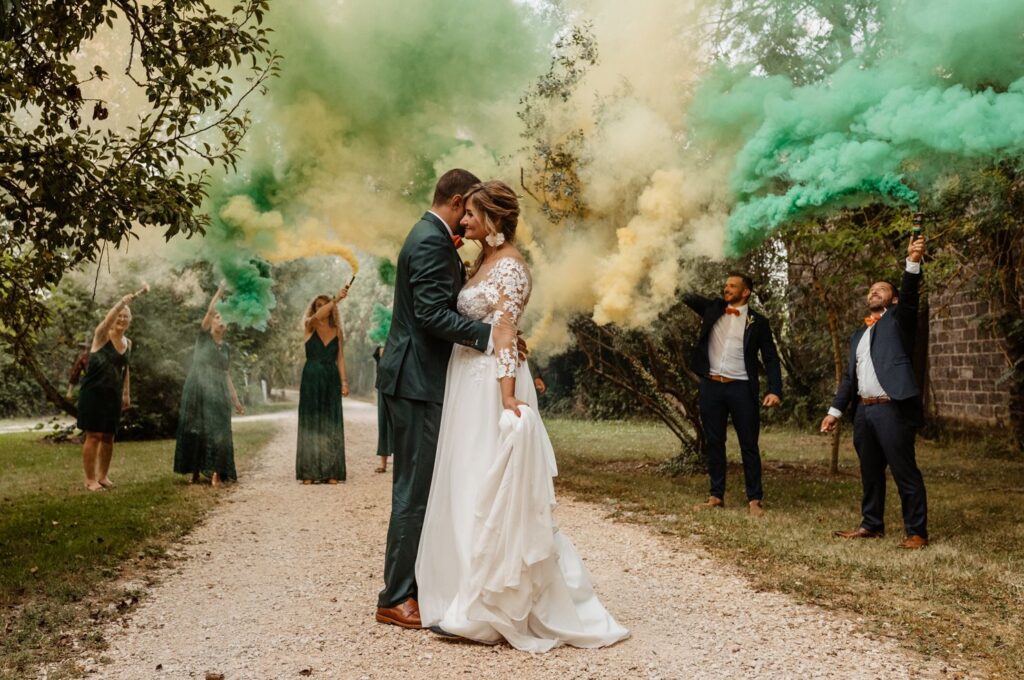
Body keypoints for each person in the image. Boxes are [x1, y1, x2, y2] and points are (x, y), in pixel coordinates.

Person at [415, 180, 629, 651]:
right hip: (466, 381)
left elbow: (506, 332)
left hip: (491, 384)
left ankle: (491, 609)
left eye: (470, 214)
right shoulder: (485, 261)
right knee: (467, 482)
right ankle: (467, 596)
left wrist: (509, 396)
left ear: (492, 218)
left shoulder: (510, 268)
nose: (463, 221)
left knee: (488, 487)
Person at [374, 168, 498, 628]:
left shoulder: (429, 235)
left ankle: (416, 583)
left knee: (421, 486)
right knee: (414, 490)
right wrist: (491, 334)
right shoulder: (428, 239)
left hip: (419, 378)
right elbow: (428, 314)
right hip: (416, 380)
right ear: (460, 199)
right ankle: (396, 596)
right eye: (468, 210)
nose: (468, 220)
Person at [821, 235, 929, 550]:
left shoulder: (900, 320)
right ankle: (871, 524)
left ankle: (916, 532)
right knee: (870, 472)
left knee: (904, 470)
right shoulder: (858, 335)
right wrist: (834, 411)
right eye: (871, 290)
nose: (873, 292)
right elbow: (848, 380)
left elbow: (910, 295)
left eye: (881, 289)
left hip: (893, 408)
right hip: (865, 412)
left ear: (893, 300)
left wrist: (912, 262)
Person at [683, 273, 783, 516]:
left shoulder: (758, 322)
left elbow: (770, 357)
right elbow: (686, 296)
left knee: (748, 444)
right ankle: (716, 496)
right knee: (715, 442)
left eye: (732, 286)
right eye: (726, 284)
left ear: (745, 292)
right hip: (711, 387)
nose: (726, 288)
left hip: (741, 388)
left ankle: (755, 500)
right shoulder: (712, 308)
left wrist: (775, 390)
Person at [173, 283, 245, 486]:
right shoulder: (203, 338)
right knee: (196, 428)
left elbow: (227, 374)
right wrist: (221, 290)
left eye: (224, 319)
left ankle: (216, 472)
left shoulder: (226, 347)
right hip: (198, 386)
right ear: (212, 321)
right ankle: (195, 472)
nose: (220, 320)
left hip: (218, 390)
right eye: (217, 317)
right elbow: (211, 309)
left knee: (218, 429)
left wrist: (236, 401)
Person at [77, 292, 135, 491]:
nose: (122, 319)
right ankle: (90, 479)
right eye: (119, 315)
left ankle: (103, 477)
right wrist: (121, 304)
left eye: (126, 316)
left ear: (129, 321)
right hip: (93, 392)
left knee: (109, 436)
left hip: (113, 395)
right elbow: (106, 321)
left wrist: (126, 393)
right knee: (93, 435)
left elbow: (125, 368)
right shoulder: (101, 336)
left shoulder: (129, 343)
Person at [296, 286, 349, 484]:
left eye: (324, 305)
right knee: (311, 421)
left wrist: (344, 381)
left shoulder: (337, 331)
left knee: (330, 422)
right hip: (311, 377)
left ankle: (330, 471)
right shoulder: (309, 326)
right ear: (314, 309)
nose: (322, 309)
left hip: (331, 377)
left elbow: (341, 358)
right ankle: (309, 472)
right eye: (318, 306)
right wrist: (335, 299)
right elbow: (317, 316)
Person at [372, 346, 392, 473]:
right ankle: (383, 463)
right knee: (383, 423)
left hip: (402, 386)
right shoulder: (382, 347)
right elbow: (378, 352)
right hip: (384, 387)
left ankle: (403, 464)